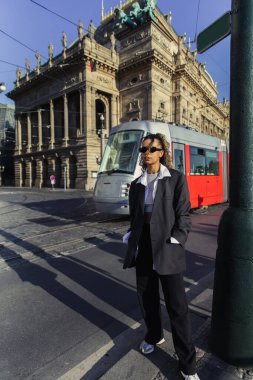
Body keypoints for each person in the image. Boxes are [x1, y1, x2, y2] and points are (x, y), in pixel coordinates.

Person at [123, 133, 200, 380]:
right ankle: (154, 335)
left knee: (177, 306)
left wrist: (177, 238)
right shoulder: (136, 185)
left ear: (162, 152)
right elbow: (135, 216)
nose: (147, 153)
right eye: (144, 149)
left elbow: (184, 214)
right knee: (147, 298)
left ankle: (188, 365)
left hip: (168, 245)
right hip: (144, 245)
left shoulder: (175, 179)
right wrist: (130, 234)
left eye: (152, 148)